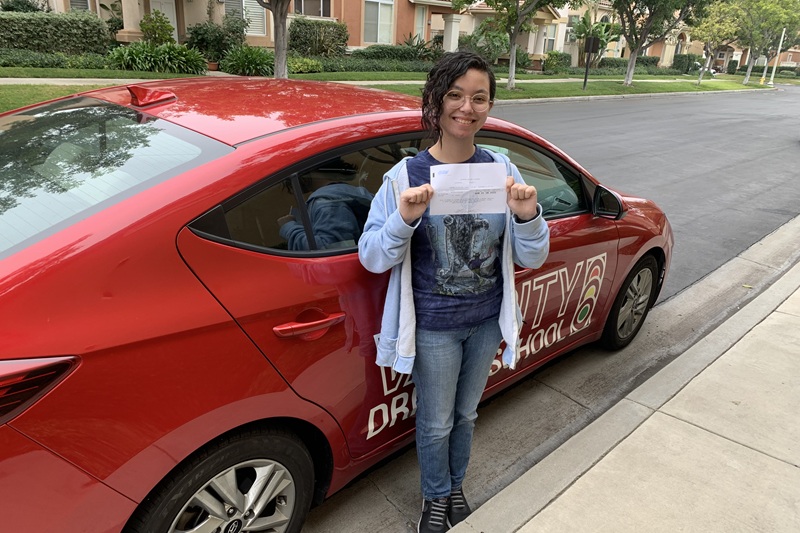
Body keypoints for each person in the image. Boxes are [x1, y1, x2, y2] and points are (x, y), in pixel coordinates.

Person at [357, 51, 550, 533]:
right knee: (437, 422)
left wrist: (527, 216)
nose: (467, 107)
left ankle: (455, 485)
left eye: (479, 98)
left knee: (466, 415)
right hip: (434, 329)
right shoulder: (404, 176)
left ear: (489, 106)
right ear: (436, 101)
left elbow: (532, 257)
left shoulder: (502, 167)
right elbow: (372, 257)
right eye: (456, 95)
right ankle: (436, 498)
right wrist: (403, 219)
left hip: (486, 321)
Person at [278, 159, 374, 251]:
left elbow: (328, 248)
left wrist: (289, 228)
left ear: (310, 170)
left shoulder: (326, 202)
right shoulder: (349, 193)